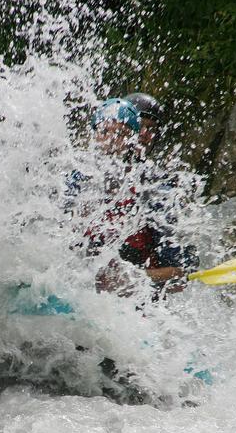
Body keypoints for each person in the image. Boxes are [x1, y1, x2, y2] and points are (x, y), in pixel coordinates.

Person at [82, 94, 196, 299]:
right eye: (140, 126)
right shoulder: (79, 176)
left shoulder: (156, 190)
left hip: (130, 306)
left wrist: (132, 278)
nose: (144, 134)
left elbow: (180, 274)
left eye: (152, 130)